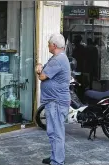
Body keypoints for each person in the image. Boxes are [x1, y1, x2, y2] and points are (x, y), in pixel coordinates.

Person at [35, 33, 71, 165]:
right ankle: (54, 157)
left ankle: (57, 161)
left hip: (56, 102)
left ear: (54, 45)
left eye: (49, 44)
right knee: (53, 132)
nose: (48, 46)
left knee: (56, 133)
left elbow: (42, 76)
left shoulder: (57, 60)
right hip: (54, 101)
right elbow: (44, 69)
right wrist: (40, 67)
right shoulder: (56, 58)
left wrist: (39, 71)